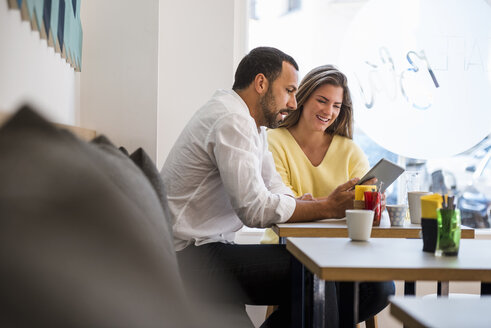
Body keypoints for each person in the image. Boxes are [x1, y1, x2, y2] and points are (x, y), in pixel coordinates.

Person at [161, 47, 379, 327]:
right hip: (188, 256)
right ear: (261, 83)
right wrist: (325, 207)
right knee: (315, 272)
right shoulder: (232, 120)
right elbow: (254, 211)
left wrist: (305, 204)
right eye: (289, 90)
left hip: (207, 248)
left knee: (335, 277)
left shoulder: (254, 125)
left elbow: (273, 184)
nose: (293, 102)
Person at [261, 64, 394, 324]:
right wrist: (335, 205)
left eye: (336, 105)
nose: (328, 111)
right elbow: (286, 206)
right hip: (290, 249)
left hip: (342, 250)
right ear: (302, 97)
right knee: (324, 285)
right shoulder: (274, 141)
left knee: (381, 289)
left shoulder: (349, 149)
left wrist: (375, 205)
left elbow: (363, 206)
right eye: (322, 101)